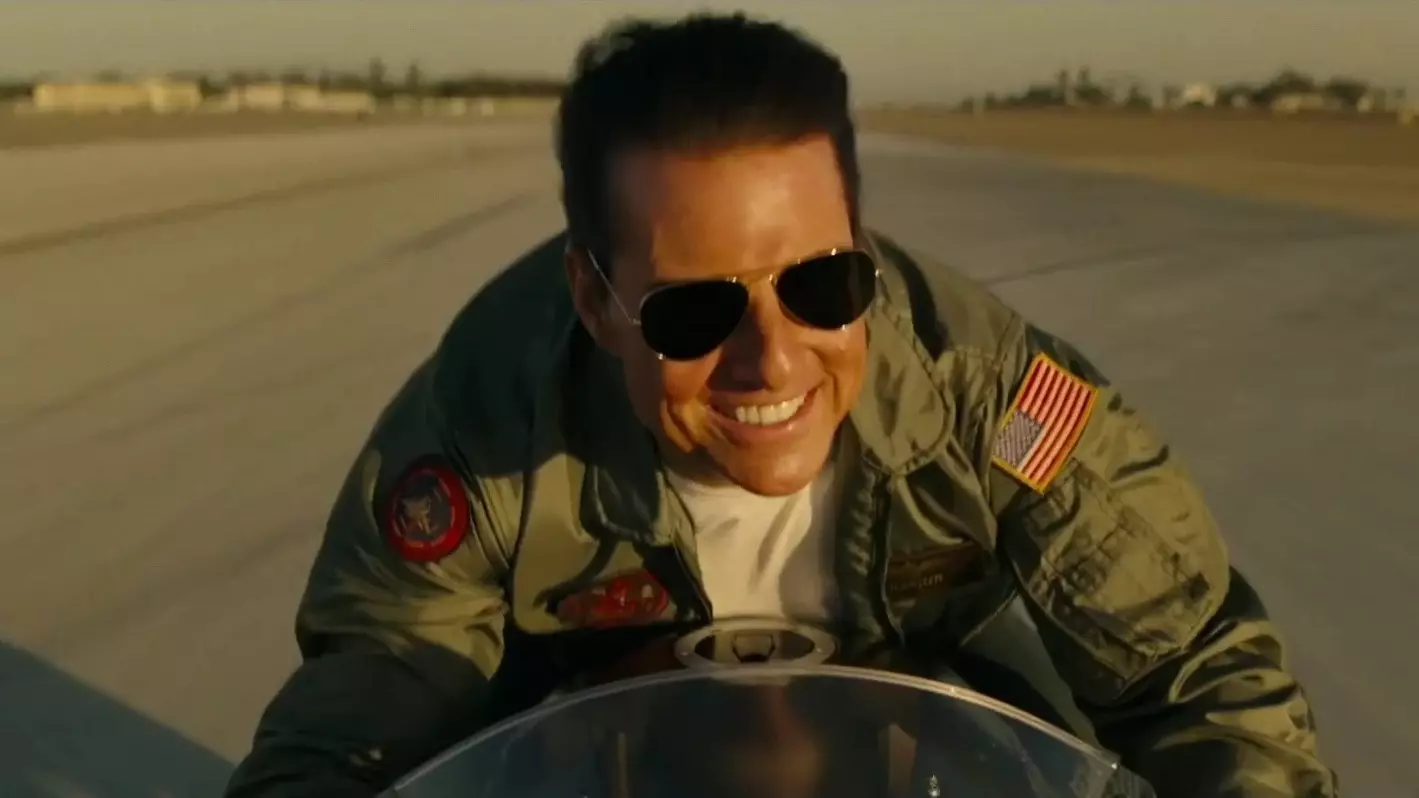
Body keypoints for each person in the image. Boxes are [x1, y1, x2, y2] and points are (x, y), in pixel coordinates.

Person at [225, 13, 1339, 798]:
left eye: (822, 284)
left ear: (863, 246)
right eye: (693, 311)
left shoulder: (991, 400)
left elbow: (1199, 675)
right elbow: (358, 722)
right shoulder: (485, 429)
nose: (772, 362)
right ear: (596, 300)